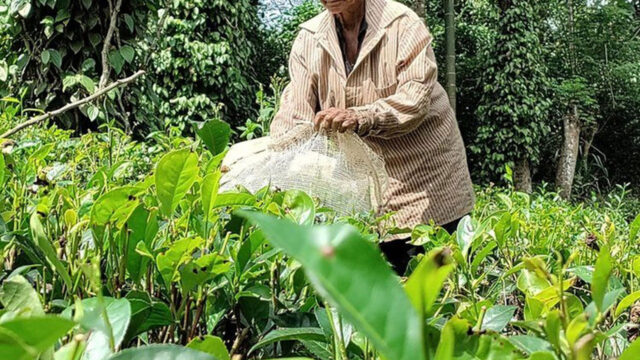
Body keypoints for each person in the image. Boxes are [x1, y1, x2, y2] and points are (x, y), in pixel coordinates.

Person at [270, 0, 474, 275]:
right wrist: (271, 162)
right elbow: (294, 117)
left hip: (427, 176)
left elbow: (413, 100)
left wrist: (361, 117)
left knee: (439, 287)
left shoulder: (402, 23)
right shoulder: (309, 40)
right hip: (367, 182)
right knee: (380, 284)